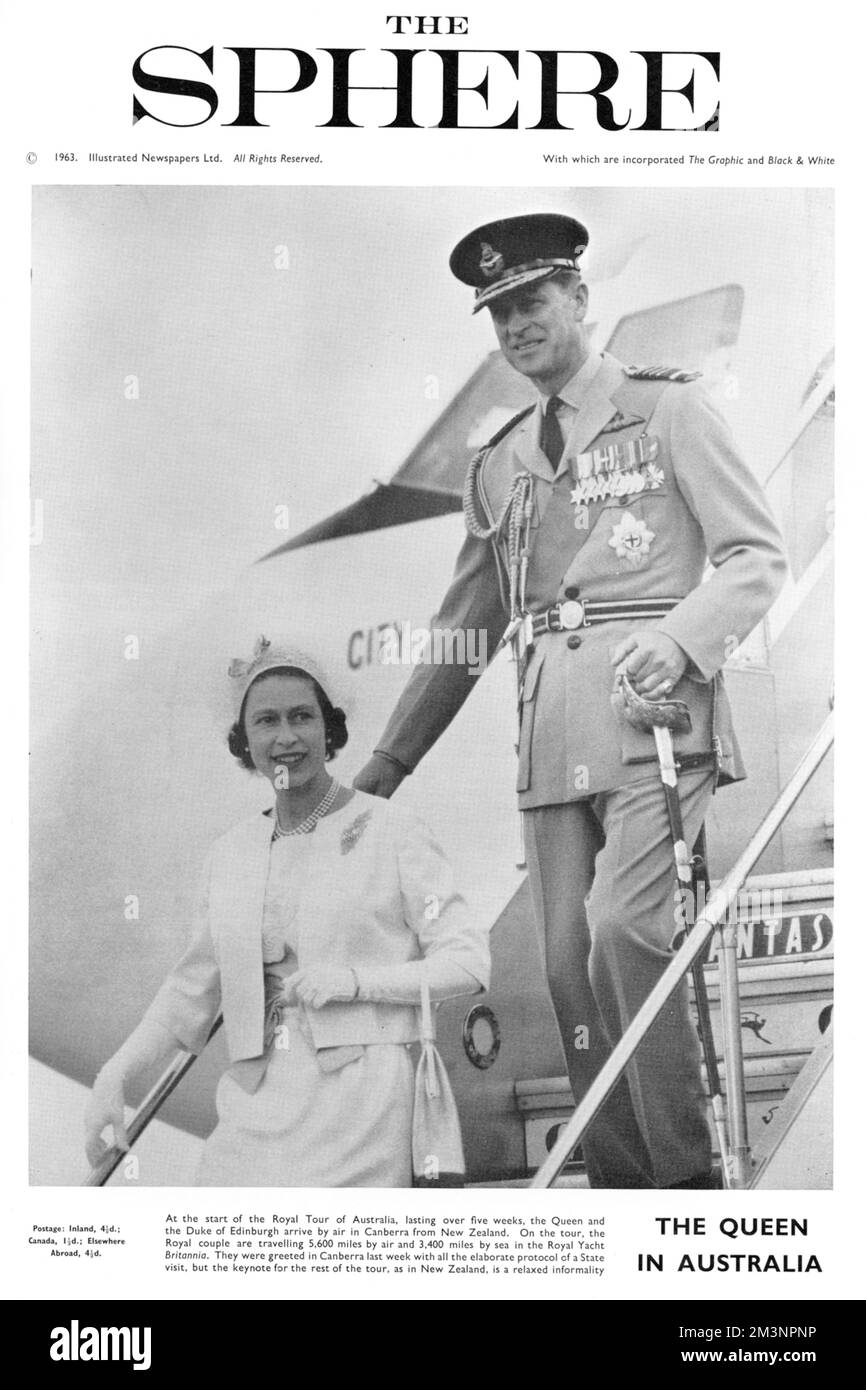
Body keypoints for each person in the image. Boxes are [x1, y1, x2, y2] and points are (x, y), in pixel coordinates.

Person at [354, 212, 788, 1189]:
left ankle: (684, 1180)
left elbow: (755, 556)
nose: (515, 324)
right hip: (548, 738)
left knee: (623, 935)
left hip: (652, 725)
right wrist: (381, 769)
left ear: (580, 300)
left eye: (532, 301)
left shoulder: (669, 410)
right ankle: (626, 1192)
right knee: (561, 970)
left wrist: (678, 640)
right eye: (498, 311)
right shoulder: (498, 460)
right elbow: (467, 624)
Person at [85, 635, 489, 1187]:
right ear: (244, 742)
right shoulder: (230, 853)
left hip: (364, 1101)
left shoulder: (391, 830)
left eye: (302, 717)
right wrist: (114, 1078)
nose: (286, 738)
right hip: (255, 1104)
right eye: (266, 722)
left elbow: (468, 964)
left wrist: (353, 982)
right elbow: (189, 994)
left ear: (329, 731)